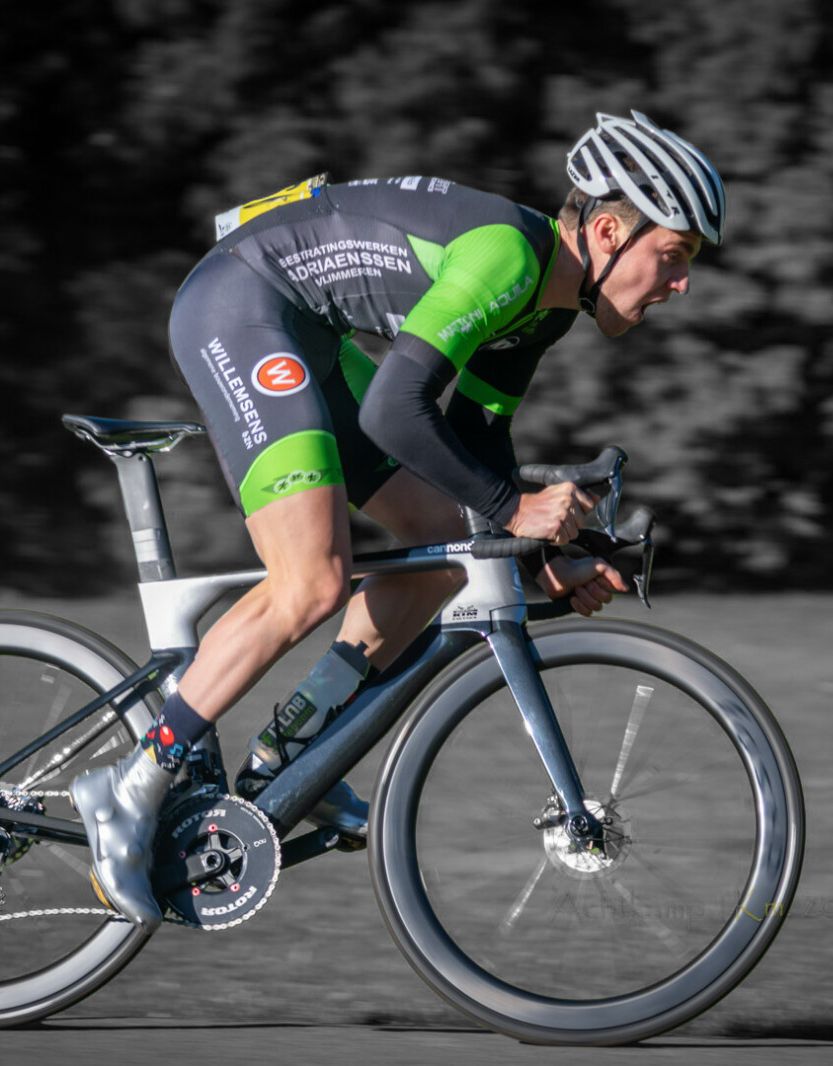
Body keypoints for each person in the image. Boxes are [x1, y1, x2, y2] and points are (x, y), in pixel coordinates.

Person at [72, 110, 726, 928]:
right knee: (310, 581)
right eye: (675, 254)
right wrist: (517, 510)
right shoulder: (508, 258)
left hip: (306, 331)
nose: (681, 282)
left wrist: (543, 559)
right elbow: (394, 411)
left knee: (445, 554)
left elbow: (475, 445)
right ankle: (130, 788)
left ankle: (290, 751)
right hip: (240, 306)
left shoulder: (548, 307)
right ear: (606, 232)